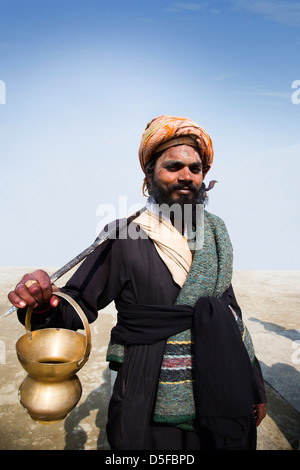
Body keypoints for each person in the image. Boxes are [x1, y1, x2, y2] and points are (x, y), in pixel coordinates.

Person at [8, 115, 267, 450]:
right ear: (149, 175)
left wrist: (254, 385)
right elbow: (77, 304)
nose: (186, 176)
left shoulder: (215, 233)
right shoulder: (123, 234)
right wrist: (43, 302)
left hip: (222, 381)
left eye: (196, 168)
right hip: (145, 392)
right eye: (174, 166)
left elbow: (230, 313)